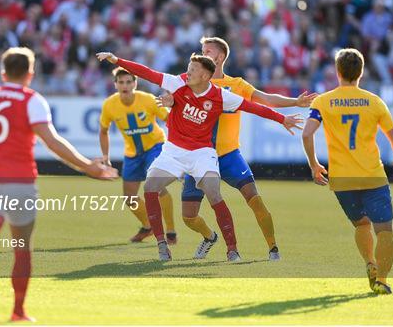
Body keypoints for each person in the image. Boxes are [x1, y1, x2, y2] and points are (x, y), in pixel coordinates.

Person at [0, 47, 117, 322]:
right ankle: (18, 311)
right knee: (22, 247)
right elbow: (52, 142)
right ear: (30, 73)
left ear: (3, 73)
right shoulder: (32, 100)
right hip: (20, 181)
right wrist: (87, 166)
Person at [96, 51, 302, 262]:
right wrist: (117, 60)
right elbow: (147, 73)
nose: (187, 73)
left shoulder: (221, 96)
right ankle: (162, 244)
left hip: (202, 153)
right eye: (188, 69)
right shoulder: (178, 83)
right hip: (173, 150)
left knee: (214, 193)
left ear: (205, 76)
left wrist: (281, 119)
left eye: (192, 70)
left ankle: (232, 249)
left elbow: (253, 107)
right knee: (150, 187)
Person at [159, 36, 317, 260]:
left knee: (254, 198)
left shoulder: (237, 85)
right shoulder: (189, 82)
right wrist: (168, 100)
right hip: (197, 157)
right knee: (188, 217)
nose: (202, 54)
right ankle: (209, 237)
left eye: (207, 51)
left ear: (220, 57)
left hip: (228, 155)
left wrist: (294, 102)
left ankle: (273, 248)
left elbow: (264, 99)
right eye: (202, 50)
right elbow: (171, 96)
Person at [302, 48, 393, 295]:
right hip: (373, 176)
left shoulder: (323, 101)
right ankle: (381, 280)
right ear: (360, 73)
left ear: (338, 72)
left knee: (361, 225)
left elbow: (307, 133)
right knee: (384, 231)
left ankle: (370, 263)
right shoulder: (374, 101)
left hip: (342, 179)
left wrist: (314, 165)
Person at [100, 67, 176, 243]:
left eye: (128, 82)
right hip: (132, 153)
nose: (125, 85)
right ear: (115, 85)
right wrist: (105, 156)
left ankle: (170, 231)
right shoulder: (109, 105)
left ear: (135, 83)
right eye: (121, 82)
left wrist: (176, 146)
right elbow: (103, 131)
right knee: (129, 198)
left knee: (155, 186)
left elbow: (170, 120)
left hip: (155, 147)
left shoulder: (148, 100)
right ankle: (148, 226)